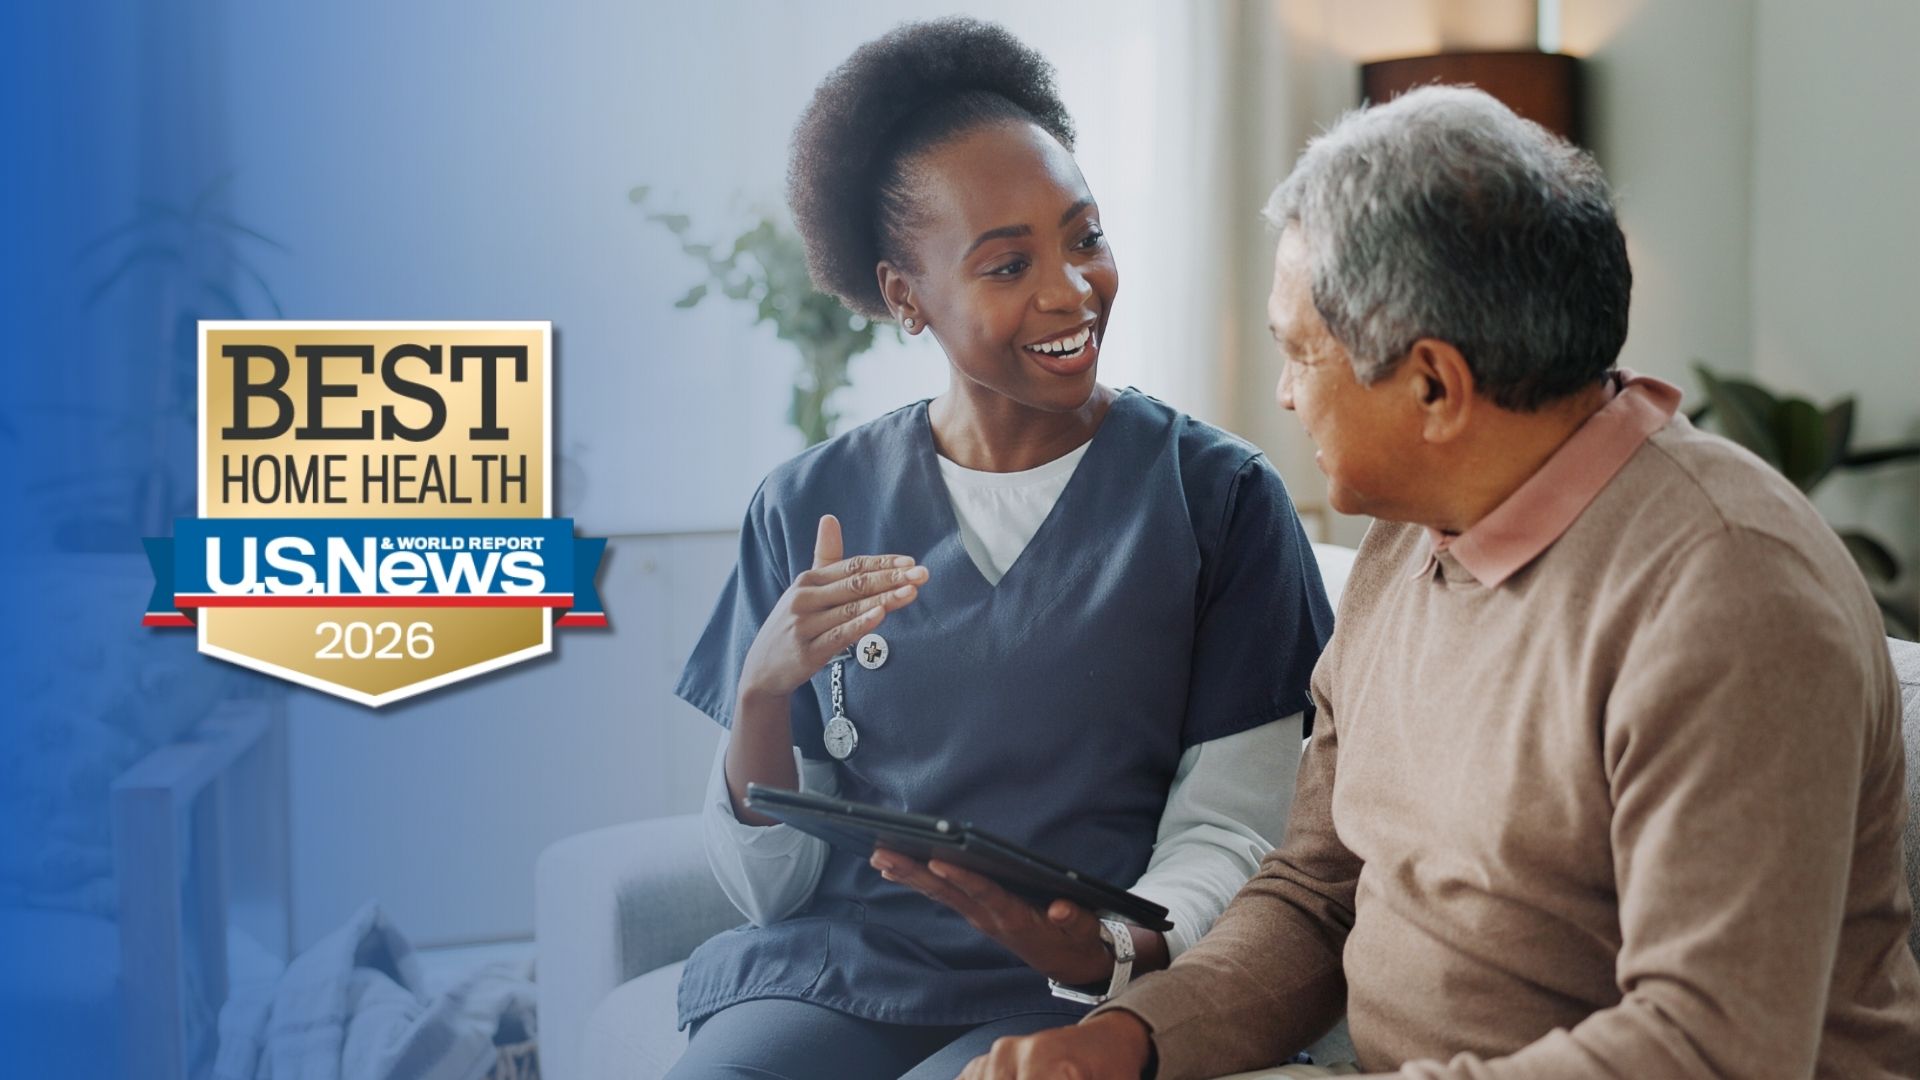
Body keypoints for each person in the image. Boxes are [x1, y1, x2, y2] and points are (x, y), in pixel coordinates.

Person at [961, 86, 1920, 1079]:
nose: (1284, 394)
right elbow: (1317, 894)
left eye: (1299, 351)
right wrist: (1129, 1041)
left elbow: (1707, 1047)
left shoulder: (1729, 596)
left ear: (1433, 386)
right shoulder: (1411, 536)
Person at [666, 18, 1334, 1080]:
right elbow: (767, 889)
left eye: (1085, 237)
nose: (1070, 289)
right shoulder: (806, 503)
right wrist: (758, 695)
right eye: (1008, 263)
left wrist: (1116, 944)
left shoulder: (1222, 501)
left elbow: (1241, 832)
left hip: (1083, 985)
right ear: (903, 294)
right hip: (846, 969)